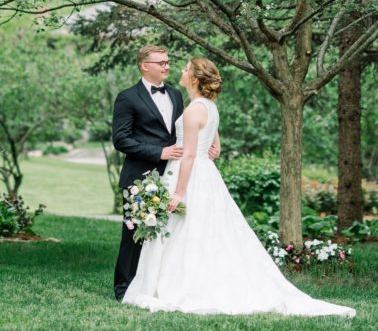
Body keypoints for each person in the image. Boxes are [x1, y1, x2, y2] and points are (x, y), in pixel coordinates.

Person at [122, 57, 356, 317]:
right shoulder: (208, 106)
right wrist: (212, 145)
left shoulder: (192, 109)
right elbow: (212, 141)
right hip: (206, 174)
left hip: (189, 174)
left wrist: (178, 192)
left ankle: (178, 285)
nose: (181, 70)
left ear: (195, 78)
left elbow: (188, 155)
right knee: (205, 231)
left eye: (186, 68)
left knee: (186, 231)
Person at [111, 45, 185, 301]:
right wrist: (159, 152)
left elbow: (181, 132)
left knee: (168, 234)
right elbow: (120, 140)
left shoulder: (176, 95)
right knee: (134, 234)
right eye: (161, 62)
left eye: (168, 61)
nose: (167, 66)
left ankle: (155, 285)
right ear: (145, 65)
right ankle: (123, 289)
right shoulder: (127, 97)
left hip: (172, 175)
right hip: (140, 176)